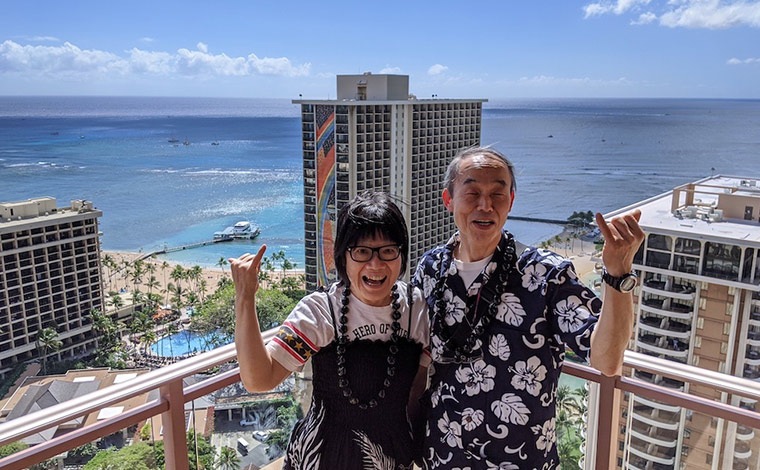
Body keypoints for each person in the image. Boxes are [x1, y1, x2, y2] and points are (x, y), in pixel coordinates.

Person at [413, 147, 644, 469]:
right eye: (472, 193)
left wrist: (618, 274)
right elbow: (417, 355)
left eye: (497, 194)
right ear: (448, 200)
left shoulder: (546, 275)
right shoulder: (430, 268)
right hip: (443, 454)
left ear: (511, 201)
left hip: (521, 459)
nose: (485, 205)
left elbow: (606, 361)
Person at [231, 191, 430, 470]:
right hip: (320, 458)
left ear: (401, 255)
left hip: (389, 459)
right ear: (343, 257)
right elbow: (259, 380)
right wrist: (245, 297)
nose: (375, 264)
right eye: (361, 251)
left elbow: (415, 392)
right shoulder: (321, 312)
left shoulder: (416, 310)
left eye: (388, 251)